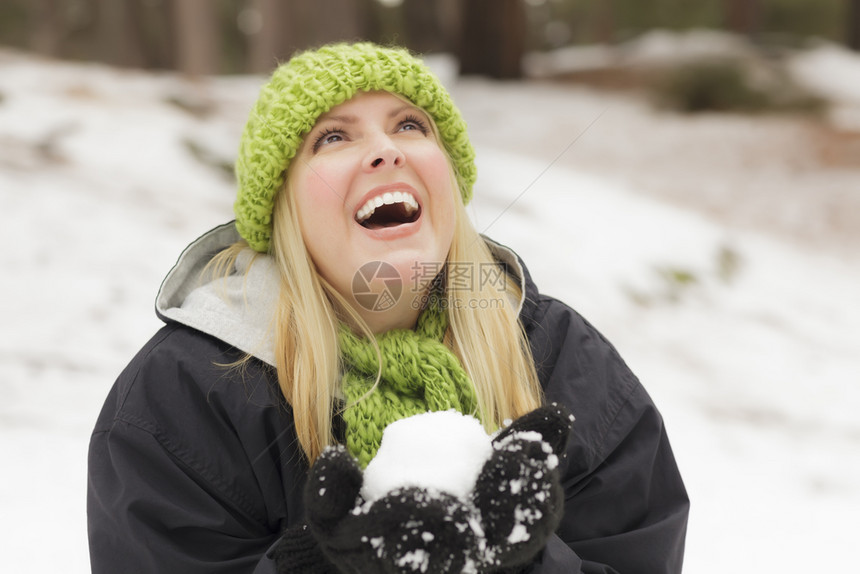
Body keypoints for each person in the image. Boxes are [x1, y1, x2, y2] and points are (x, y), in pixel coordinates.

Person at [87, 42, 689, 574]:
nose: (384, 151)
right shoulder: (188, 397)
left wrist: (524, 562)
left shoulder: (560, 357)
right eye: (333, 136)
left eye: (409, 125)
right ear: (284, 210)